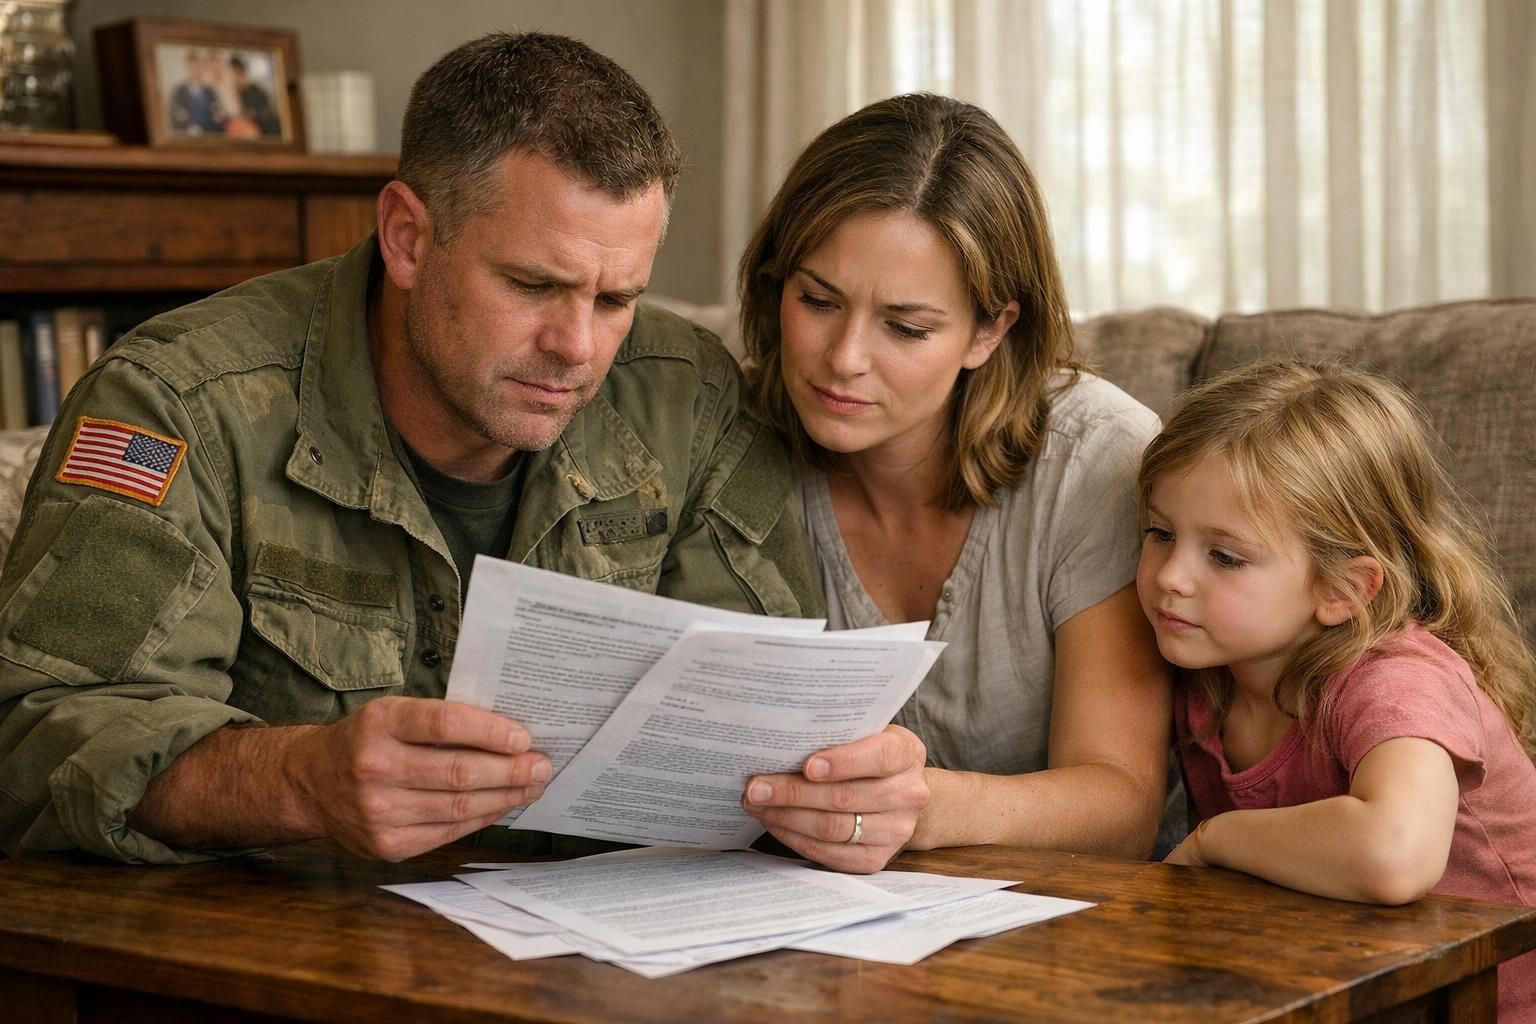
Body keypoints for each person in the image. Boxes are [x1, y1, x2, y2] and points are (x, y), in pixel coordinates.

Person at [0, 32, 821, 866]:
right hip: (281, 960)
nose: (577, 346)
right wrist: (294, 780)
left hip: (607, 959)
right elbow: (36, 743)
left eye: (616, 299)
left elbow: (771, 715)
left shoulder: (690, 397)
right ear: (406, 238)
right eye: (533, 285)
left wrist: (843, 789)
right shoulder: (178, 404)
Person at [735, 94, 1172, 873]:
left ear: (989, 330)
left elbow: (1124, 809)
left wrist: (921, 806)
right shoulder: (729, 443)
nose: (844, 359)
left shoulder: (1096, 461)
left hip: (1086, 927)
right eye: (818, 300)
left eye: (906, 327)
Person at [1137, 359, 1536, 1019]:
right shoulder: (1206, 677)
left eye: (1225, 557)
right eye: (1160, 533)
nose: (1170, 576)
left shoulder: (1395, 678)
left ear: (1342, 590)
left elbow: (1393, 854)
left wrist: (1219, 838)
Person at [167, 50, 225, 136]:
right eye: (192, 66)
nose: (195, 70)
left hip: (210, 133)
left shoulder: (210, 91)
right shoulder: (179, 91)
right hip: (188, 134)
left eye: (198, 66)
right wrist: (188, 127)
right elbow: (174, 113)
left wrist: (218, 116)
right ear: (187, 68)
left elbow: (218, 112)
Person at [228, 54, 281, 137]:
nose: (235, 77)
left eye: (237, 72)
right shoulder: (235, 94)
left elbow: (266, 110)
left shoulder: (257, 90)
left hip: (267, 127)